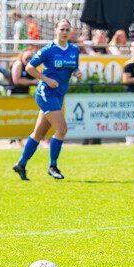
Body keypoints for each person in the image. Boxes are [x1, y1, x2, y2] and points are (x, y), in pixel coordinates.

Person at [12, 19, 81, 181]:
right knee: (62, 129)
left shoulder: (74, 49)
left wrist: (77, 72)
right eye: (62, 29)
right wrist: (46, 79)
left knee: (39, 133)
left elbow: (73, 68)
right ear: (56, 31)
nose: (64, 32)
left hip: (59, 94)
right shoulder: (48, 50)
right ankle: (53, 166)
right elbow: (29, 67)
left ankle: (21, 164)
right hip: (46, 93)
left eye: (67, 29)